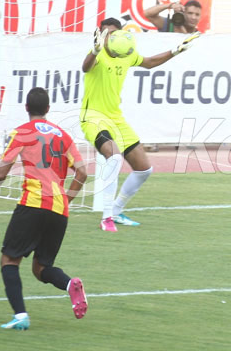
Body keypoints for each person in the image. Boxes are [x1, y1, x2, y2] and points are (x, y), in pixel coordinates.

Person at [0, 87, 88, 330]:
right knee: (41, 269)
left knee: (9, 260)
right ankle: (70, 284)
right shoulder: (64, 136)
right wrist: (66, 198)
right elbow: (82, 172)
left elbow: (2, 169)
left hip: (33, 203)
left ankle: (20, 316)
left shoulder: (21, 132)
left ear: (27, 108)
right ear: (48, 109)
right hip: (59, 209)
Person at [81, 17, 200, 232]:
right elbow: (85, 67)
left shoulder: (126, 54)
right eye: (106, 33)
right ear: (99, 35)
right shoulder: (97, 56)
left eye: (114, 33)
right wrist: (95, 50)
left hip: (115, 118)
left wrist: (175, 51)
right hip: (93, 117)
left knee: (144, 169)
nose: (111, 37)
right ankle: (106, 217)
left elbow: (149, 62)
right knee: (115, 157)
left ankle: (116, 212)